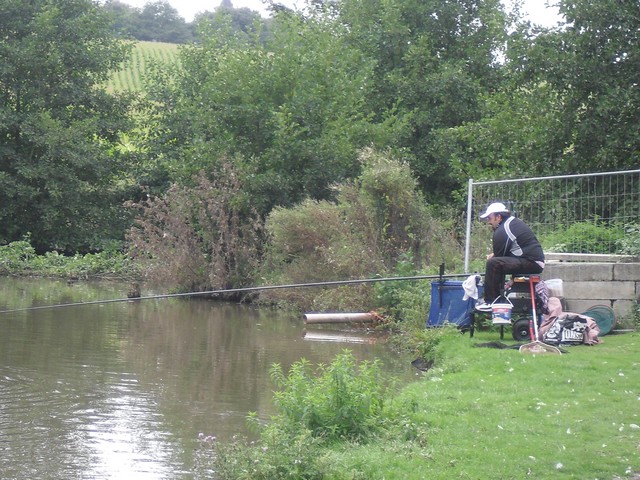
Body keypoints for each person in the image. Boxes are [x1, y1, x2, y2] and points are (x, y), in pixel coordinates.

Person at [474, 202, 545, 312]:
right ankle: (498, 298)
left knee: (493, 263)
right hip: (531, 261)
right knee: (497, 263)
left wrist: (494, 257)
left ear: (498, 217)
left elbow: (499, 258)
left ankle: (491, 301)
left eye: (490, 218)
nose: (488, 222)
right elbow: (509, 253)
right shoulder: (511, 223)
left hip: (532, 262)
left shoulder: (503, 229)